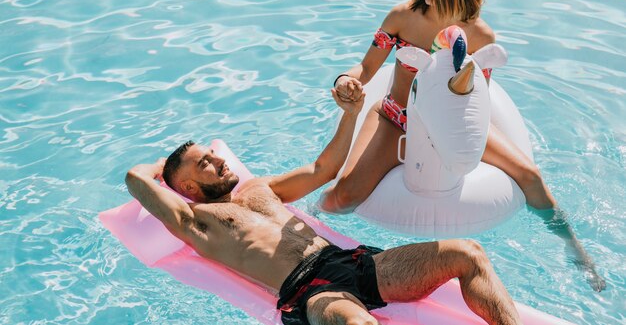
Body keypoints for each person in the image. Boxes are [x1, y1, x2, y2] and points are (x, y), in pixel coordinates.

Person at [320, 0, 605, 292]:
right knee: (342, 196)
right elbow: (366, 67)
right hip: (397, 119)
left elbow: (471, 100)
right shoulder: (402, 18)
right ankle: (314, 247)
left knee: (530, 177)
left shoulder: (480, 35)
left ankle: (579, 256)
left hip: (452, 130)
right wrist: (346, 81)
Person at [125, 90, 523, 325]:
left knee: (466, 253)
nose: (217, 159)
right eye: (203, 163)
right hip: (308, 291)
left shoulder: (260, 189)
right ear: (189, 187)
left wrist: (350, 114)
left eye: (212, 152)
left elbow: (323, 169)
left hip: (353, 263)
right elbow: (133, 179)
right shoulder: (197, 222)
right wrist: (163, 169)